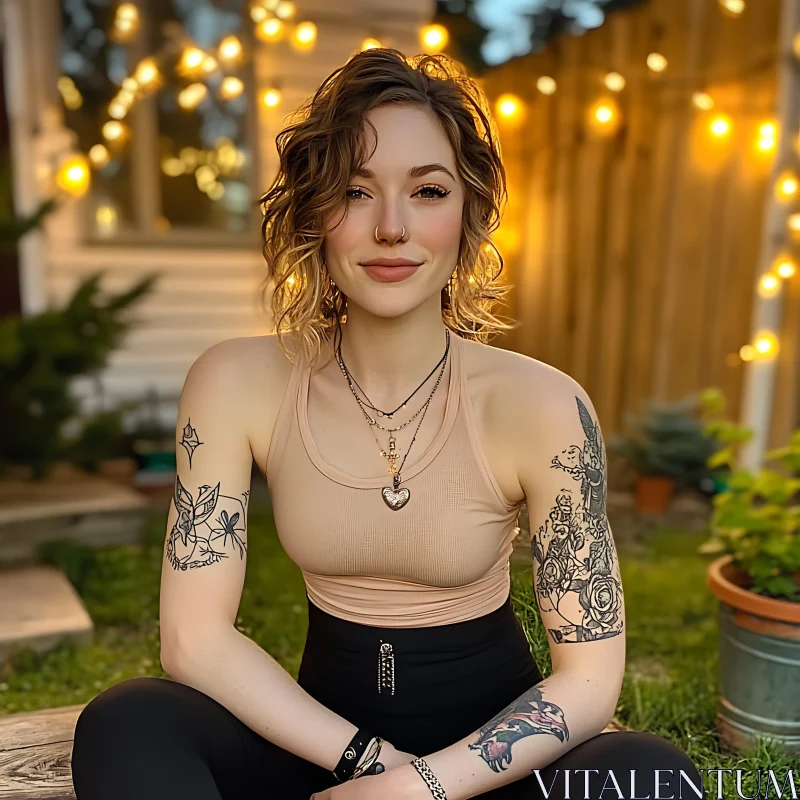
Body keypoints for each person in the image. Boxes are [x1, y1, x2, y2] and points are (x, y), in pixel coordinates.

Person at [70, 48, 704, 800]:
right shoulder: (235, 382)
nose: (393, 228)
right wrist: (370, 766)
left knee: (649, 774)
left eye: (428, 190)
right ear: (314, 214)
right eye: (356, 192)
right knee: (128, 721)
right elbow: (194, 640)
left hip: (489, 771)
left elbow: (591, 678)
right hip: (321, 757)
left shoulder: (542, 405)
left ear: (466, 211)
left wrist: (421, 790)